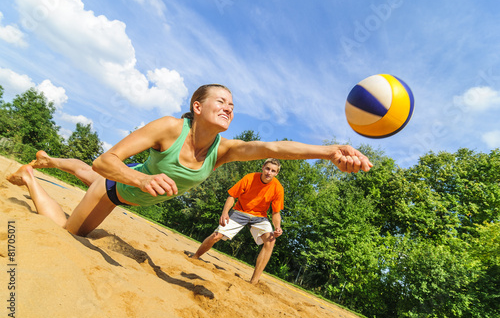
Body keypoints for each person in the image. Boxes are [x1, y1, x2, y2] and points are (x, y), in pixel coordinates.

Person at [7, 84, 373, 238]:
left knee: (86, 172)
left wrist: (330, 152)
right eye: (221, 102)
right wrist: (138, 181)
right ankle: (29, 177)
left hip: (131, 183)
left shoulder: (223, 151)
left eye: (233, 105)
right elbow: (106, 162)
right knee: (69, 230)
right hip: (117, 189)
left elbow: (275, 148)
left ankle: (50, 159)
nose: (229, 108)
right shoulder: (169, 127)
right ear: (197, 107)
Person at [192, 158, 284, 284]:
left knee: (270, 241)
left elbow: (276, 212)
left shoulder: (278, 188)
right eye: (267, 168)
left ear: (276, 173)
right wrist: (224, 213)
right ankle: (195, 256)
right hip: (240, 211)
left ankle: (254, 281)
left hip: (259, 217)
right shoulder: (250, 178)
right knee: (216, 236)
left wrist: (277, 227)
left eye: (273, 171)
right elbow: (232, 195)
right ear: (262, 167)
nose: (269, 172)